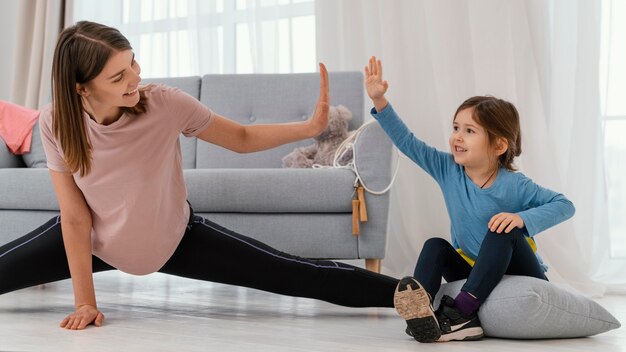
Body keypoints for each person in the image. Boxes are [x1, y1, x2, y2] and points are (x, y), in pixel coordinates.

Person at [0, 21, 402, 331]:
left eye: (132, 62)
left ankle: (413, 295)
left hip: (175, 238)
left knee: (294, 273)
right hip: (93, 243)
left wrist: (307, 128)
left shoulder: (164, 103)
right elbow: (73, 216)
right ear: (81, 89)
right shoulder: (57, 122)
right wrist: (85, 302)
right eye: (118, 76)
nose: (134, 77)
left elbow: (241, 137)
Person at [364, 56, 575, 343]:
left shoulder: (514, 184)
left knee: (504, 230)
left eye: (469, 131)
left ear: (499, 145)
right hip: (474, 270)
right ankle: (421, 308)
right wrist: (380, 101)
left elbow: (565, 204)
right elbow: (408, 142)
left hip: (521, 271)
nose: (456, 137)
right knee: (435, 246)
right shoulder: (448, 168)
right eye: (455, 128)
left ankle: (462, 313)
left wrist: (521, 219)